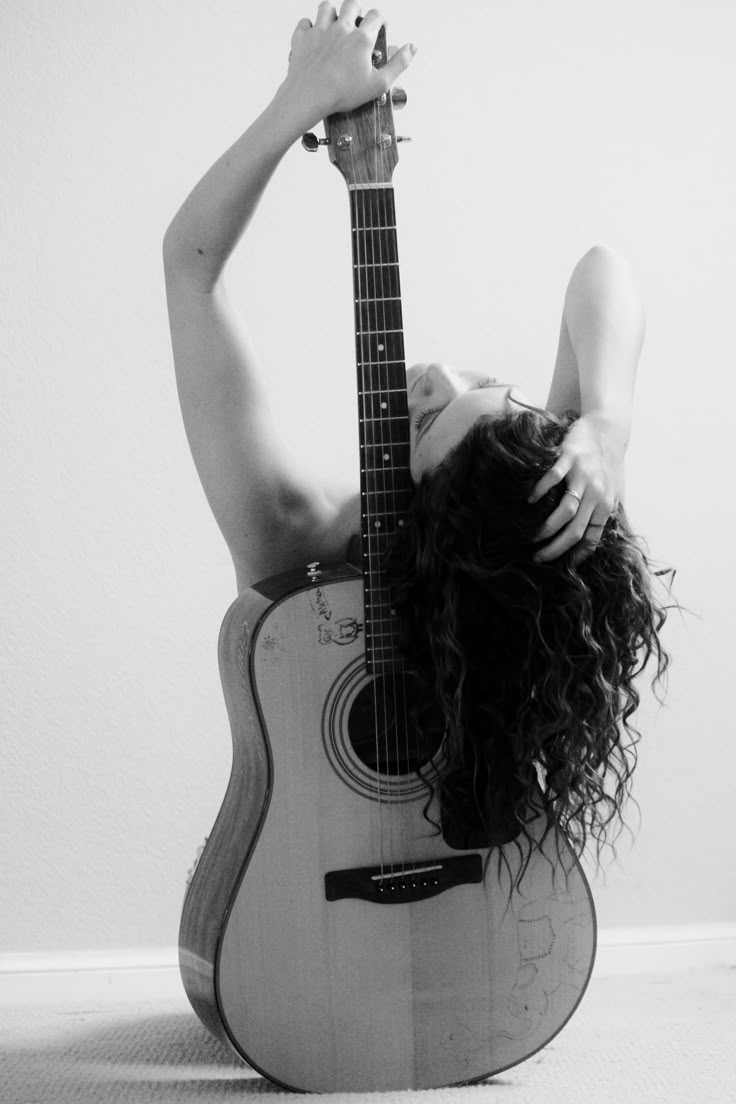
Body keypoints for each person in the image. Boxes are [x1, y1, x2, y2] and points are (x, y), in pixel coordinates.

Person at [163, 2, 674, 878]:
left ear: (433, 521)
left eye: (435, 418)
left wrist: (609, 422)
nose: (436, 373)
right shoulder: (308, 539)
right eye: (485, 383)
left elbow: (189, 269)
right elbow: (603, 269)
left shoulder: (530, 540)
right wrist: (604, 426)